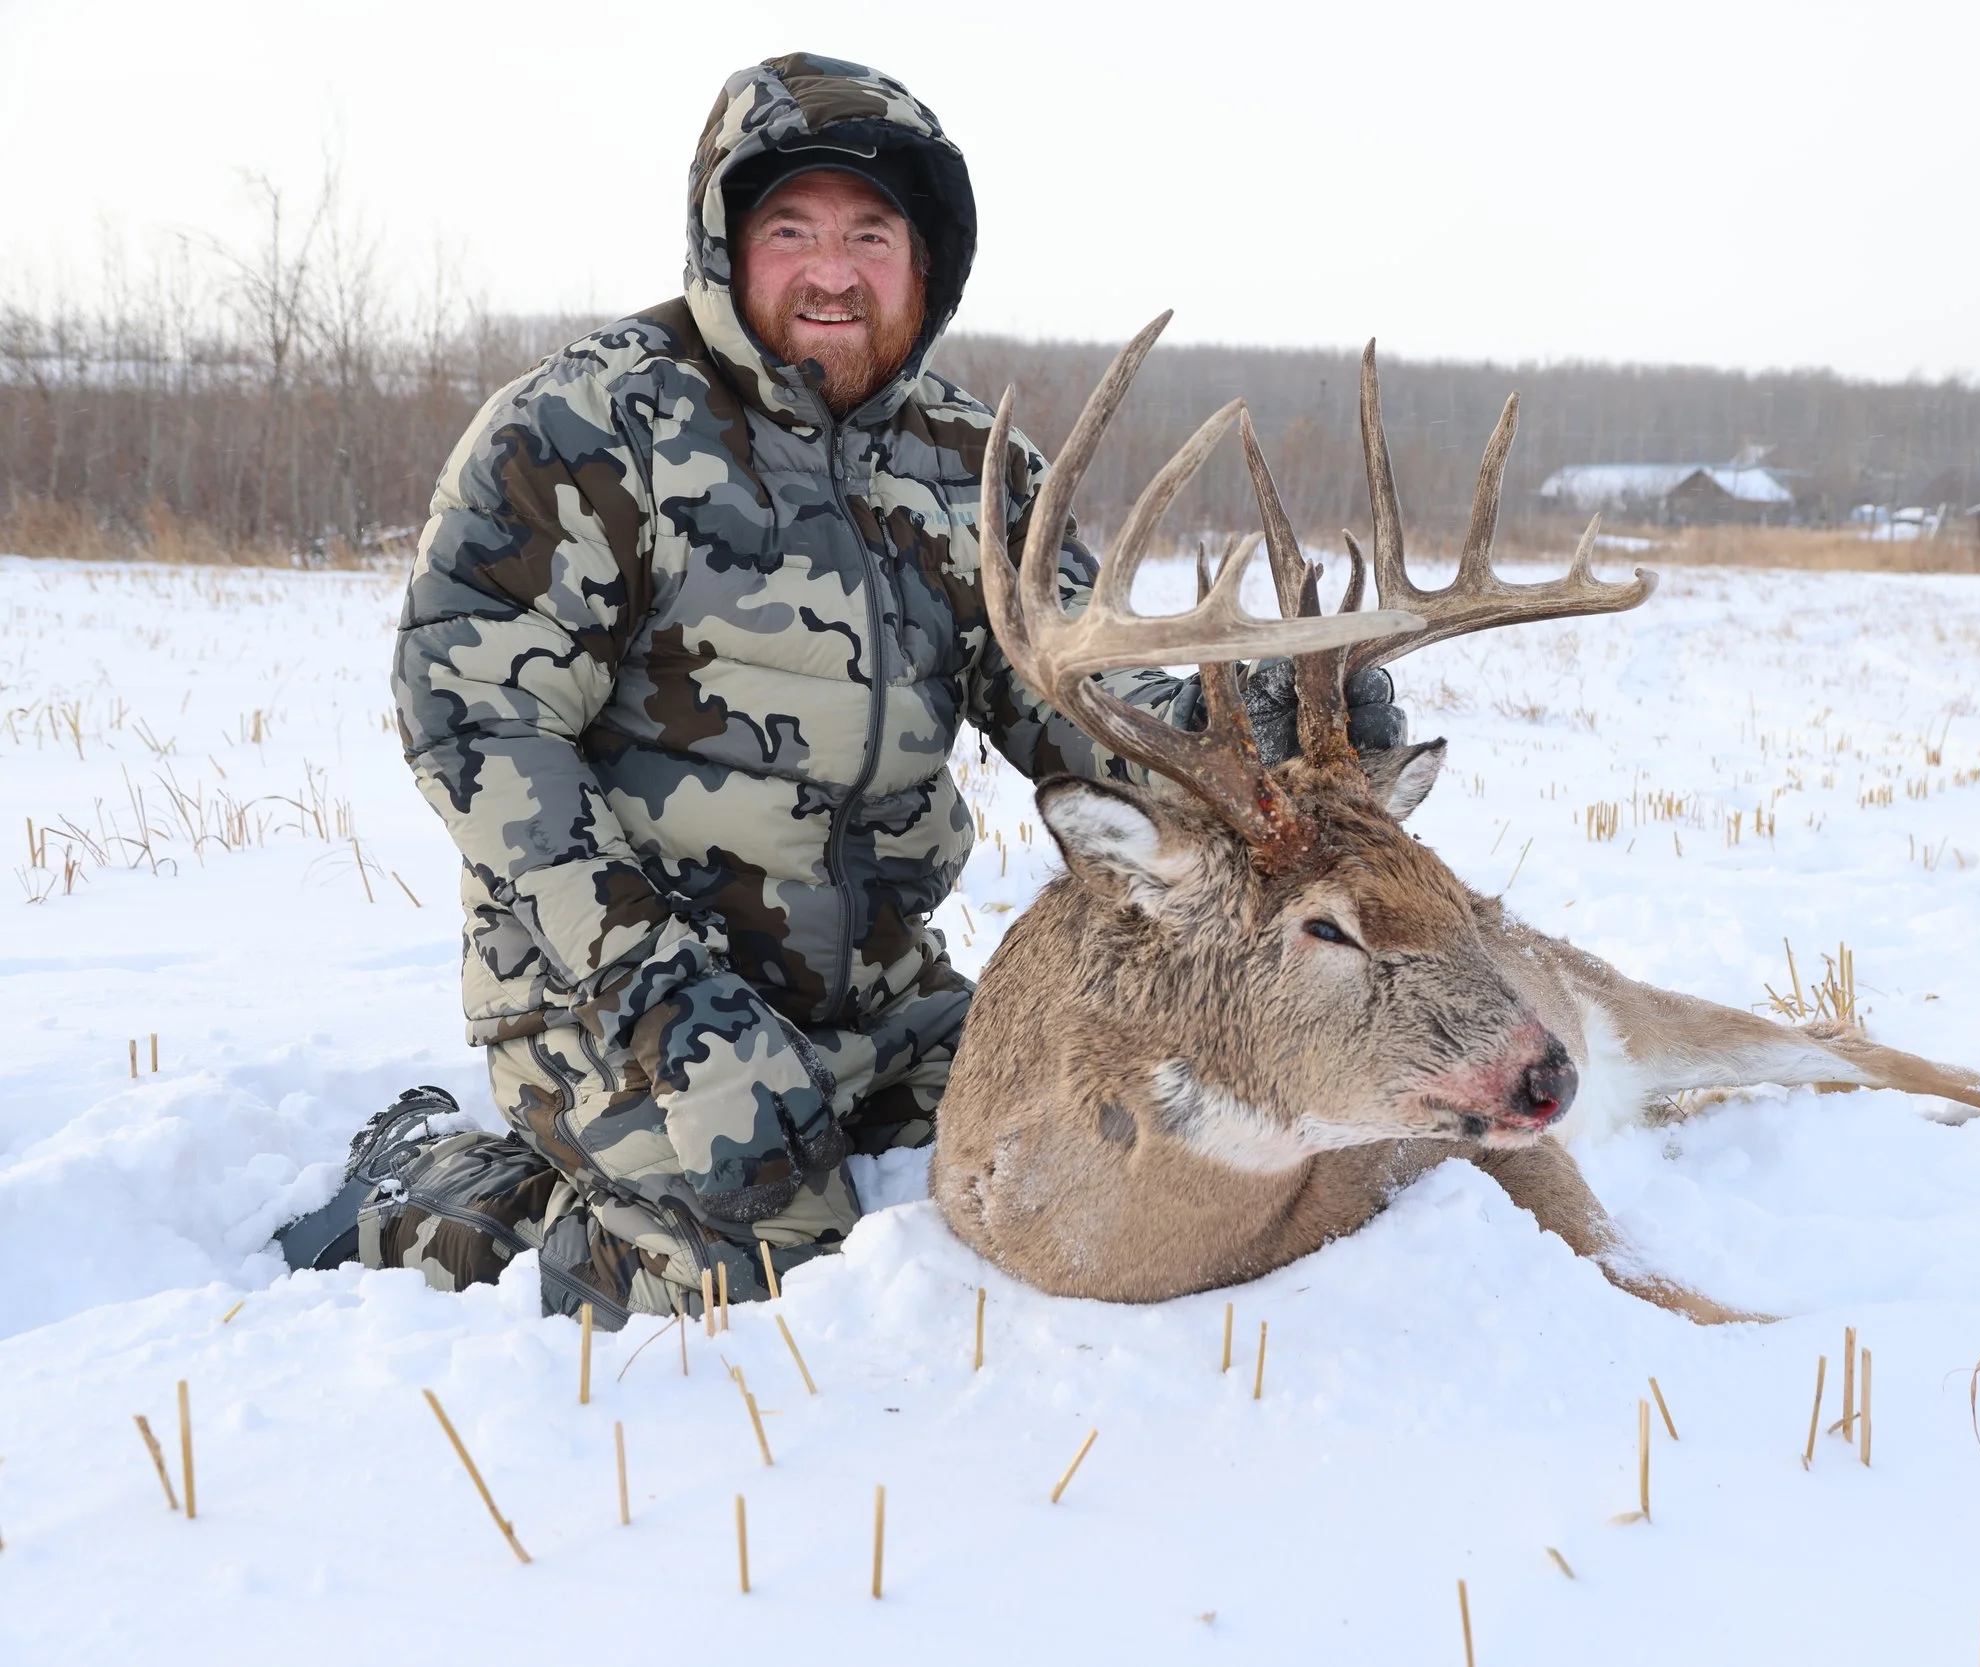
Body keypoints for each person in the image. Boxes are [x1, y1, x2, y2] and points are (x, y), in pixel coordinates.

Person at [277, 54, 1402, 1325]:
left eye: (871, 234)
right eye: (791, 230)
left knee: (1037, 1175)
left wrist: (1249, 736)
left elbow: (1081, 711)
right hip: (612, 986)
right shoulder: (583, 430)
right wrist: (664, 995)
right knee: (761, 1272)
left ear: (923, 266)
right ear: (725, 245)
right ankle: (437, 1183)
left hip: (880, 990)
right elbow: (476, 726)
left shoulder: (974, 472)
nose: (832, 270)